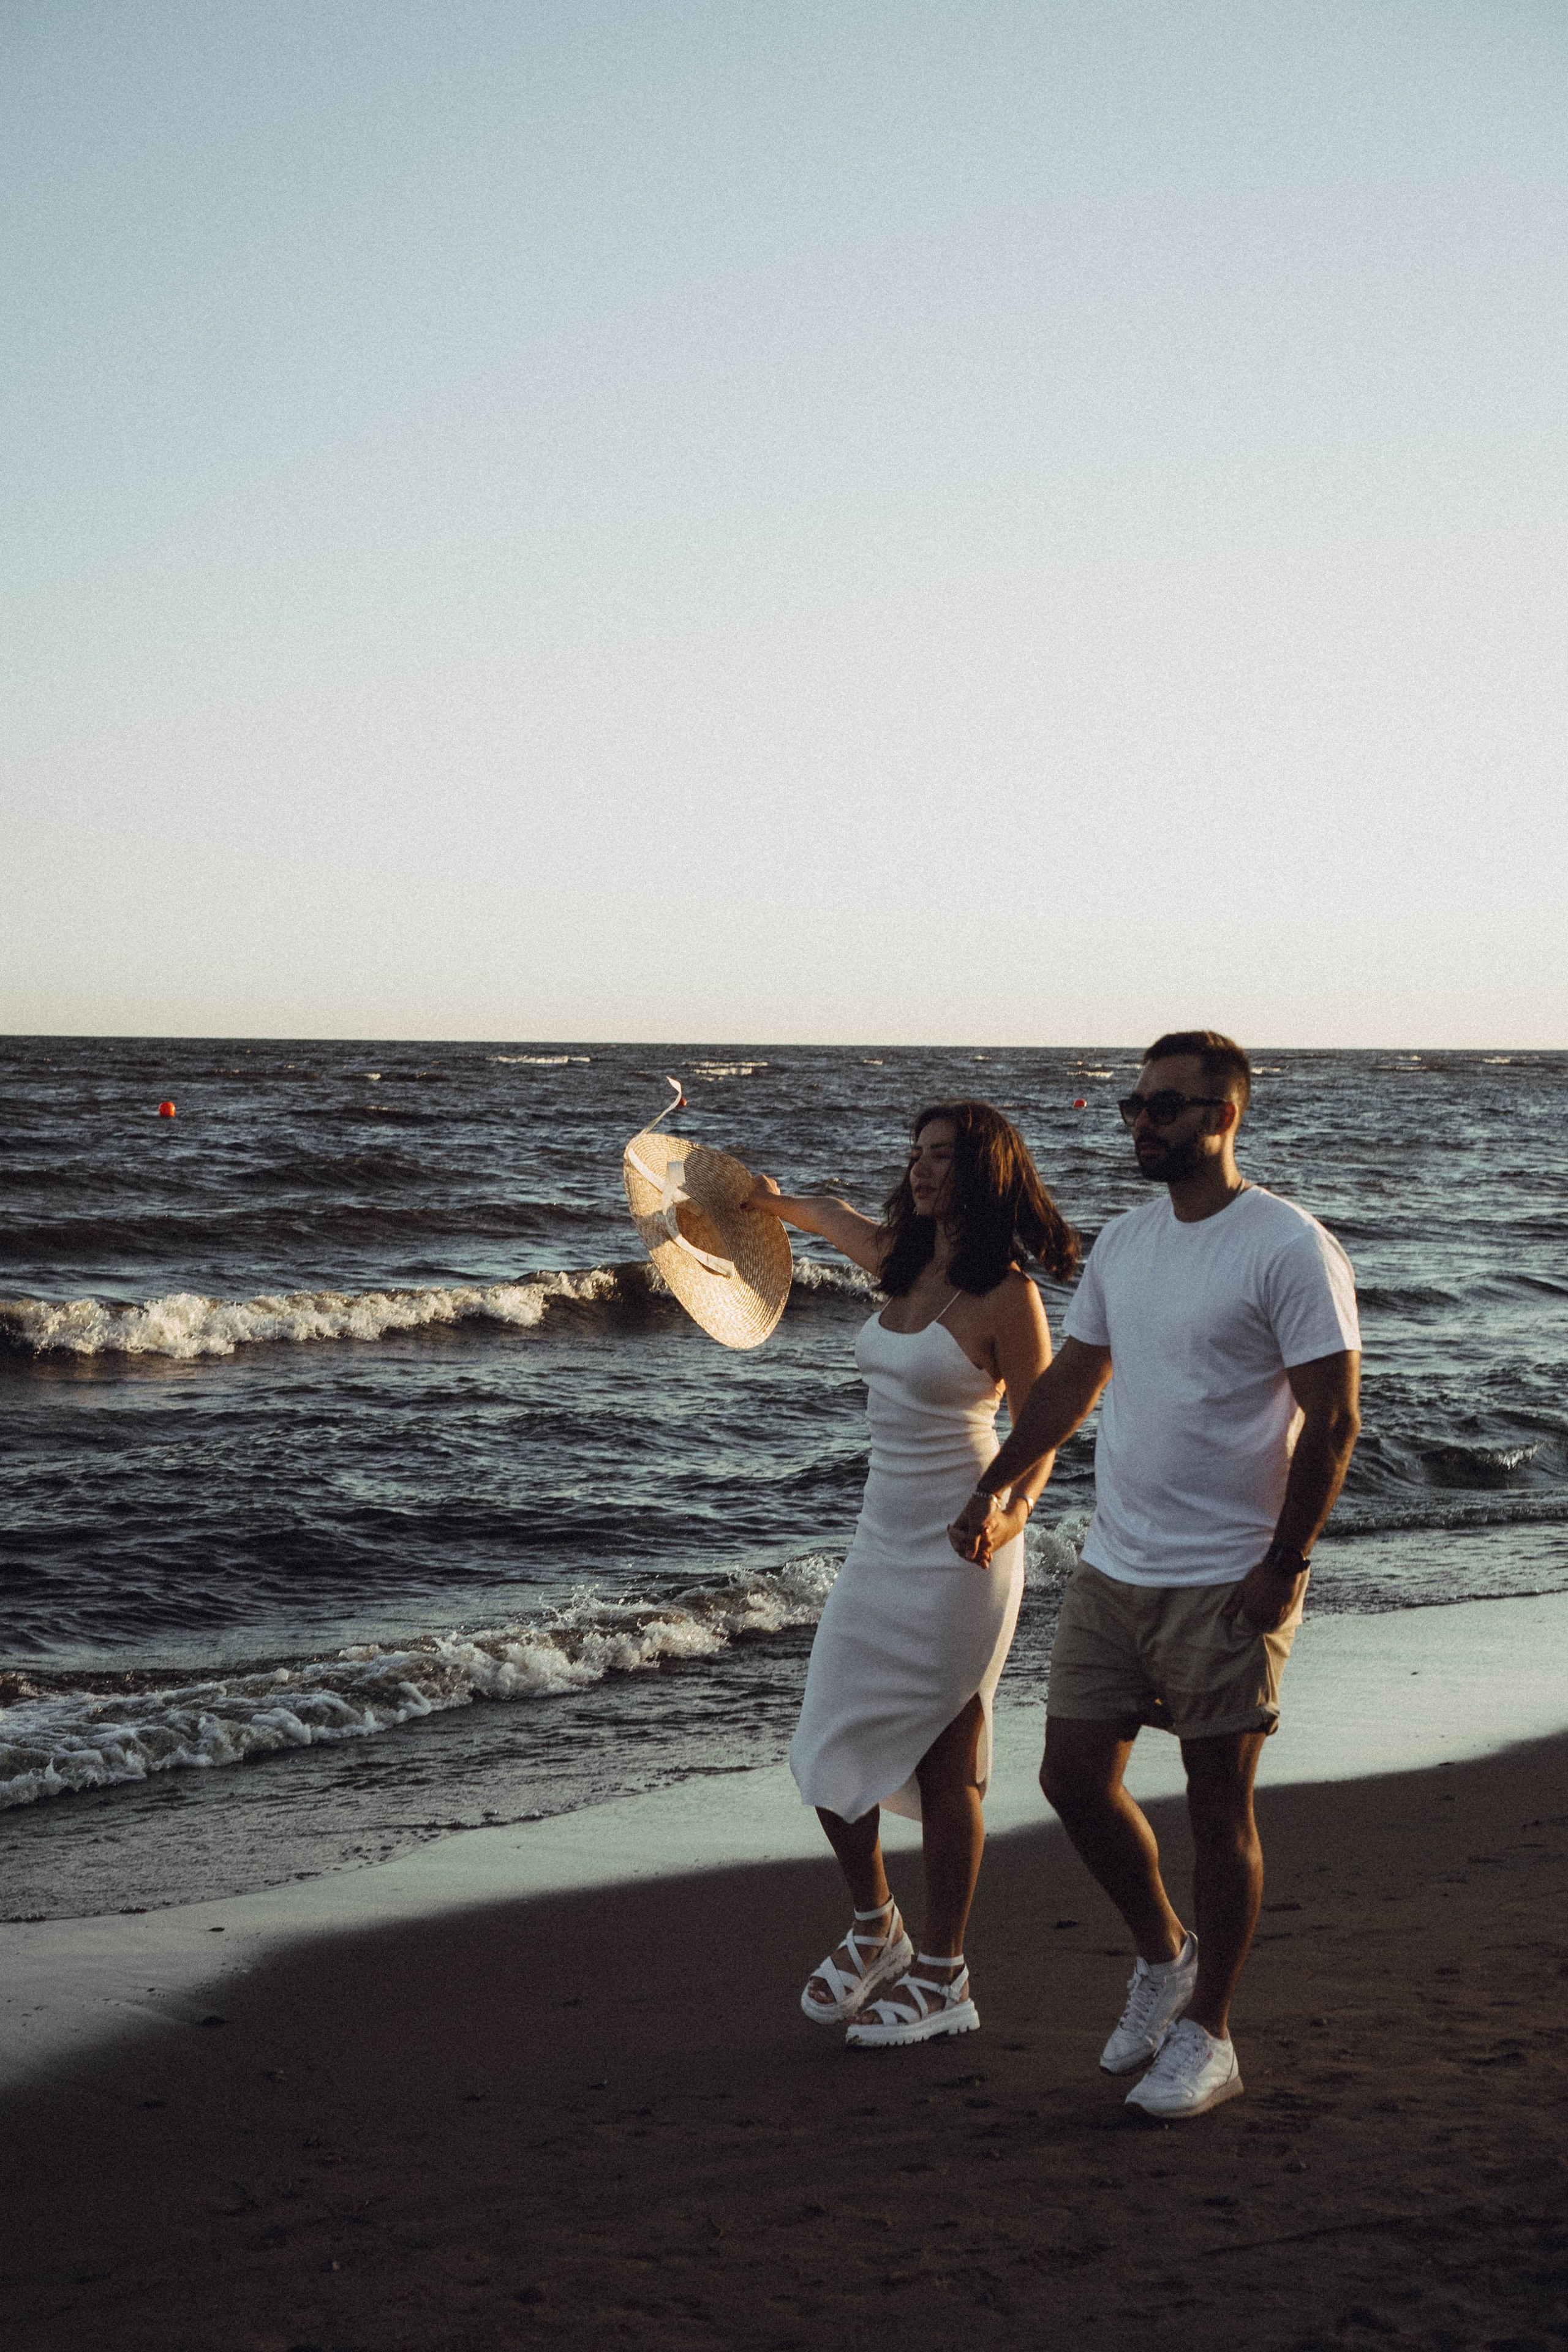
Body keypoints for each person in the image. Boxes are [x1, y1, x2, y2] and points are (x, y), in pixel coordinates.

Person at [950, 1033, 1361, 2119]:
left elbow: (1335, 1420)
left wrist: (1286, 1565)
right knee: (1072, 1780)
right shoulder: (1127, 1245)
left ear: (1223, 1116)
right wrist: (1001, 1479)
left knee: (1219, 1809)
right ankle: (1163, 1956)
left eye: (1166, 1108)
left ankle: (1211, 2033)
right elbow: (1075, 1378)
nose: (1143, 1123)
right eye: (1136, 1105)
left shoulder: (1288, 1247)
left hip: (1234, 1574)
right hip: (1115, 1563)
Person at [744, 1102, 1078, 2047]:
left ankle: (944, 1975)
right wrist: (756, 1202)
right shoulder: (900, 1260)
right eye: (918, 1156)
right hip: (879, 1545)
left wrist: (1011, 1504)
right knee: (823, 1742)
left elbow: (1045, 1419)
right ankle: (875, 1928)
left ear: (984, 1174)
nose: (923, 1172)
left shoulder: (1007, 1295)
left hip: (963, 1550)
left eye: (943, 1159)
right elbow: (826, 1212)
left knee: (949, 1761)